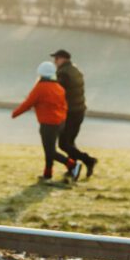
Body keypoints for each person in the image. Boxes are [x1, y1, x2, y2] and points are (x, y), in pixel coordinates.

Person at [11, 60, 78, 184]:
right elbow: (64, 106)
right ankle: (47, 174)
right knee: (50, 150)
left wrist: (15, 114)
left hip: (48, 124)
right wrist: (61, 119)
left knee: (50, 151)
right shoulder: (59, 88)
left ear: (40, 74)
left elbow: (28, 103)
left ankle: (72, 165)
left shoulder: (40, 88)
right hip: (59, 123)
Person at [51, 49, 97, 180]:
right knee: (70, 142)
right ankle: (72, 170)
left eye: (57, 58)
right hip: (79, 111)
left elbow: (58, 91)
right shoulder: (75, 70)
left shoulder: (64, 73)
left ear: (63, 59)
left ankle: (89, 161)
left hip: (70, 113)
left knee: (63, 144)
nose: (55, 61)